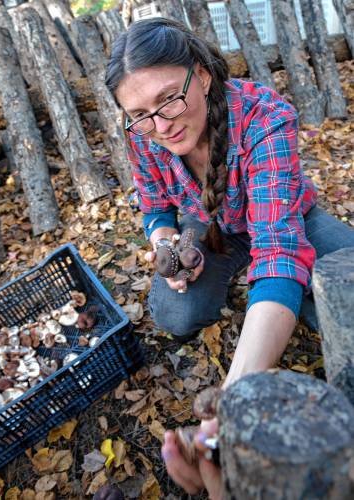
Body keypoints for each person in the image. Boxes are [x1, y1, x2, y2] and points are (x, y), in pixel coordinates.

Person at [105, 17, 354, 497]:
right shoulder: (141, 133)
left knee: (341, 293)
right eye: (139, 113)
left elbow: (278, 248)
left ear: (200, 74)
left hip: (282, 214)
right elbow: (156, 208)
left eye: (168, 99)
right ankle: (279, 298)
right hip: (210, 225)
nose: (160, 125)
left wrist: (230, 401)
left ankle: (290, 298)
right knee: (175, 313)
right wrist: (169, 248)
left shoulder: (264, 117)